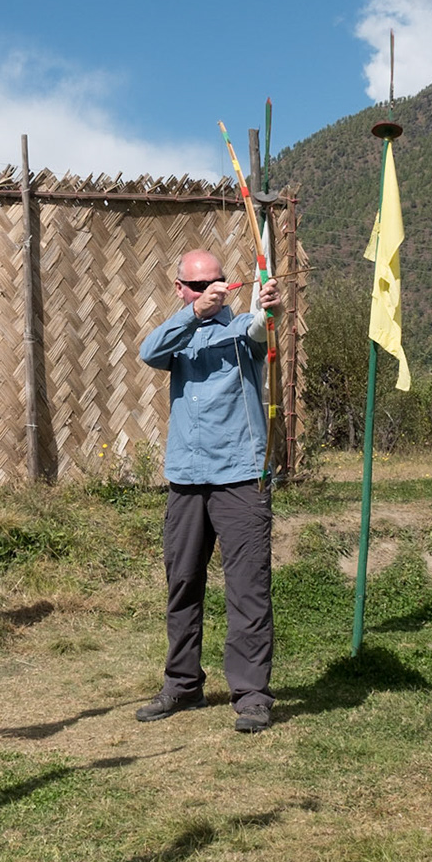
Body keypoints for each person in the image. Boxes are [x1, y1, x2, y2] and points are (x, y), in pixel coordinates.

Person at [135, 249, 282, 733]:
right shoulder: (178, 333)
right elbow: (149, 352)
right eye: (199, 286)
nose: (211, 291)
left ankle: (252, 696)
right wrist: (193, 315)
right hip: (187, 479)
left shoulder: (241, 330)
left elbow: (261, 329)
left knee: (248, 589)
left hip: (239, 478)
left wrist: (269, 308)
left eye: (217, 282)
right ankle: (182, 684)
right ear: (181, 288)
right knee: (182, 584)